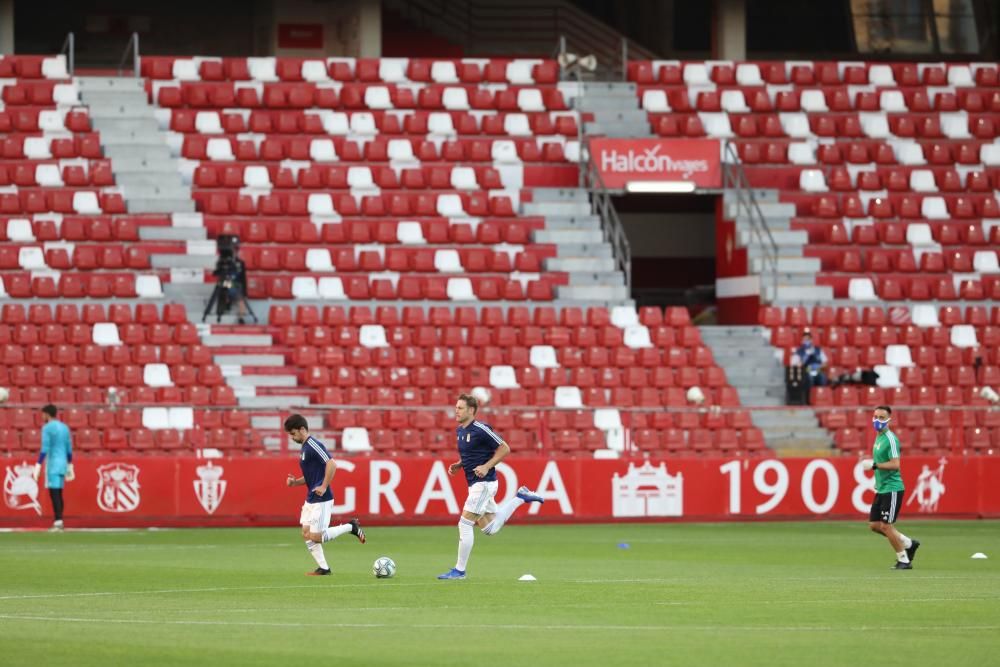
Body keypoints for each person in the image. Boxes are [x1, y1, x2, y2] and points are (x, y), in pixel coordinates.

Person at [437, 393, 544, 580]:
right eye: (456, 407)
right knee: (489, 529)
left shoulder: (481, 429)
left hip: (484, 484)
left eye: (460, 408)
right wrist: (460, 464)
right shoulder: (460, 431)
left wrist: (487, 466)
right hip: (474, 484)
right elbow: (474, 453)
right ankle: (520, 497)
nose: (456, 410)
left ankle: (459, 571)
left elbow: (505, 448)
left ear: (471, 410)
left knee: (464, 524)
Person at [283, 414, 365, 575]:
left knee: (316, 536)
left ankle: (351, 526)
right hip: (311, 498)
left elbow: (332, 464)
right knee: (306, 533)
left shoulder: (313, 445)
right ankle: (324, 568)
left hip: (322, 498)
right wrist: (295, 483)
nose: (291, 438)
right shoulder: (305, 449)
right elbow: (310, 478)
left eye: (293, 434)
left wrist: (324, 485)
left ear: (302, 429)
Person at [862, 406, 920, 570]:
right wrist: (877, 479)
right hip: (882, 488)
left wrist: (874, 465)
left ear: (889, 420)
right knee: (874, 525)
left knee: (886, 526)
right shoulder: (878, 437)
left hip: (892, 488)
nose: (877, 421)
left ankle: (904, 560)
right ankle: (908, 543)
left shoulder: (890, 439)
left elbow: (895, 464)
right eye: (875, 417)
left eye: (881, 418)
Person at [32, 404, 74, 532]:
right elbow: (69, 448)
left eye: (43, 414)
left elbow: (45, 448)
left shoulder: (47, 428)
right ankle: (59, 521)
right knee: (59, 493)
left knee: (54, 493)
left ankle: (58, 522)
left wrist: (38, 465)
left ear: (47, 414)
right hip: (63, 464)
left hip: (53, 464)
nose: (42, 417)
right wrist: (70, 464)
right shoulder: (65, 427)